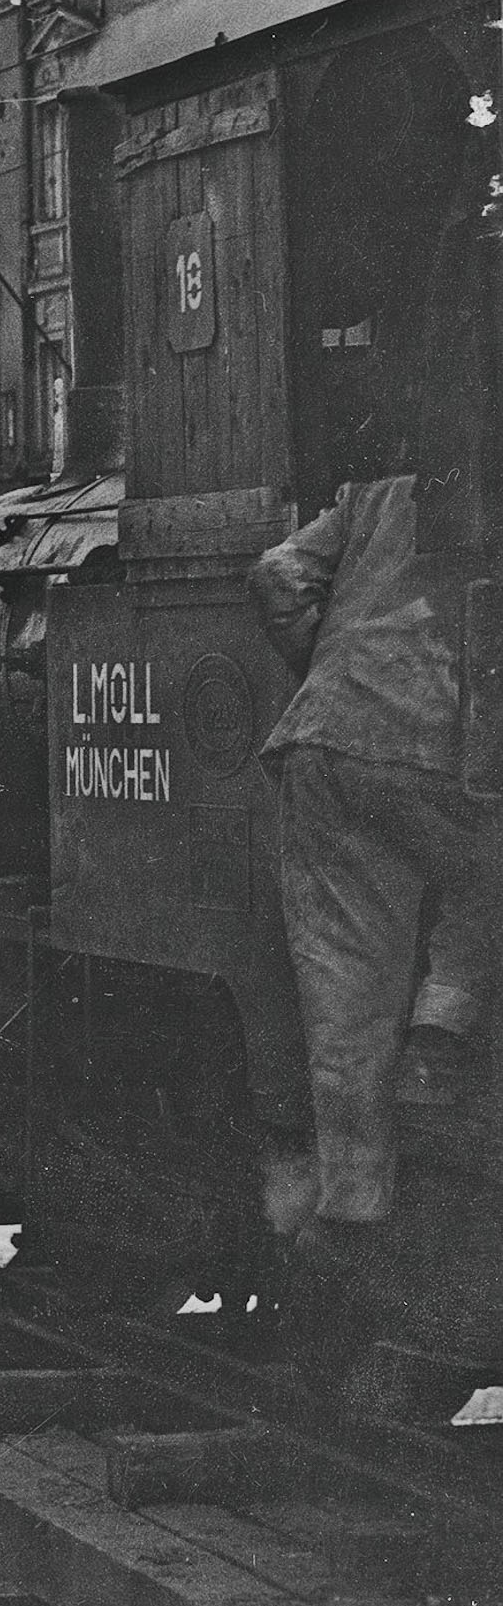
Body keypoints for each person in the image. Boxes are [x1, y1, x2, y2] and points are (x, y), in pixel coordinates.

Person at [251, 474, 503, 1228]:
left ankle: (352, 1207)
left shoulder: (376, 494)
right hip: (432, 747)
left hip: (321, 736)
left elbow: (276, 575)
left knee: (345, 995)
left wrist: (328, 666)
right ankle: (439, 1034)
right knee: (488, 864)